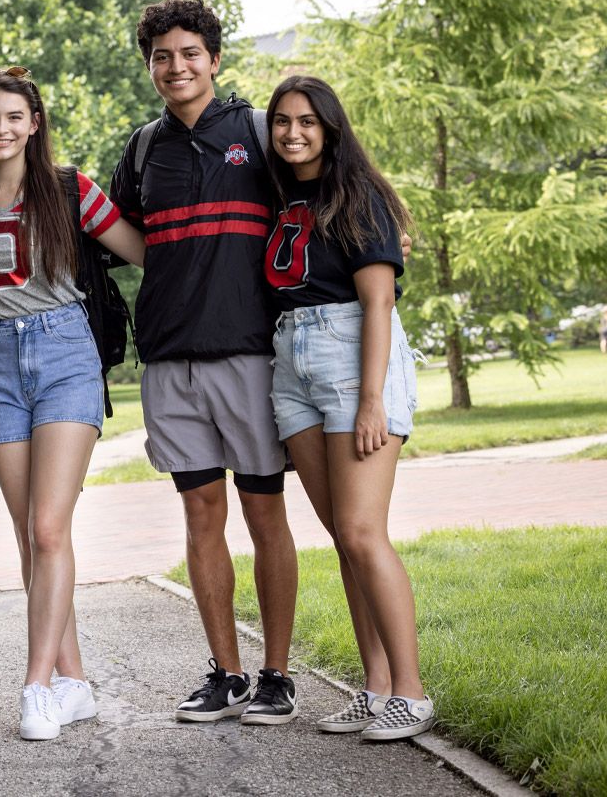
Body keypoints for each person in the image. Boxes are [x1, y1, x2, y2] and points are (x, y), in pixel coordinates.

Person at [109, 0, 301, 726]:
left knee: (264, 512)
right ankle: (226, 673)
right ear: (150, 66)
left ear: (214, 59)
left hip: (249, 356)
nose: (176, 66)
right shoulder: (142, 148)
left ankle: (276, 675)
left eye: (189, 53)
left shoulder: (257, 133)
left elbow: (318, 200)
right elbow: (116, 233)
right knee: (199, 514)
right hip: (169, 362)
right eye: (162, 56)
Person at [0, 68, 147, 740]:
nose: (1, 128)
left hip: (66, 351)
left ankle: (37, 686)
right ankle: (75, 682)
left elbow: (145, 250)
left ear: (33, 123)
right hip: (0, 361)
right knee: (30, 536)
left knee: (47, 529)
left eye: (14, 116)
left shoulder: (71, 190)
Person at [264, 74, 434, 740]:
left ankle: (412, 693)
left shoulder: (356, 194)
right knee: (343, 536)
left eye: (307, 121)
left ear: (332, 128)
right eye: (282, 121)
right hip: (291, 358)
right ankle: (376, 687)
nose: (293, 132)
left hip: (351, 356)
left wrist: (371, 403)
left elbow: (379, 304)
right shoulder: (281, 195)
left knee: (364, 531)